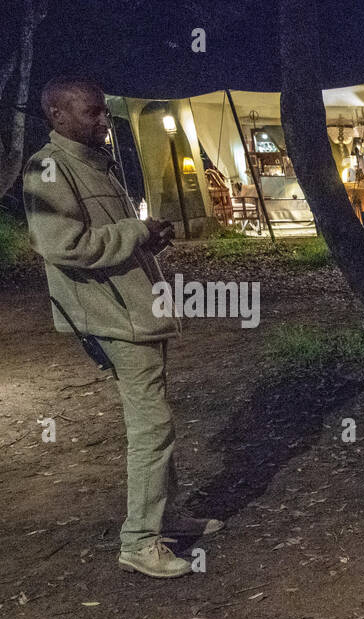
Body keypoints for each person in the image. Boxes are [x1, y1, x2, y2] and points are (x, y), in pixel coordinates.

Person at [23, 77, 222, 579]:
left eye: (103, 112)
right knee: (151, 426)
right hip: (113, 316)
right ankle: (139, 540)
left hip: (134, 307)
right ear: (56, 114)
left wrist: (145, 240)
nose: (102, 121)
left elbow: (101, 238)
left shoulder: (93, 163)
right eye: (90, 113)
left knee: (157, 422)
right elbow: (63, 243)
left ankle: (166, 516)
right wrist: (135, 231)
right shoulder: (49, 167)